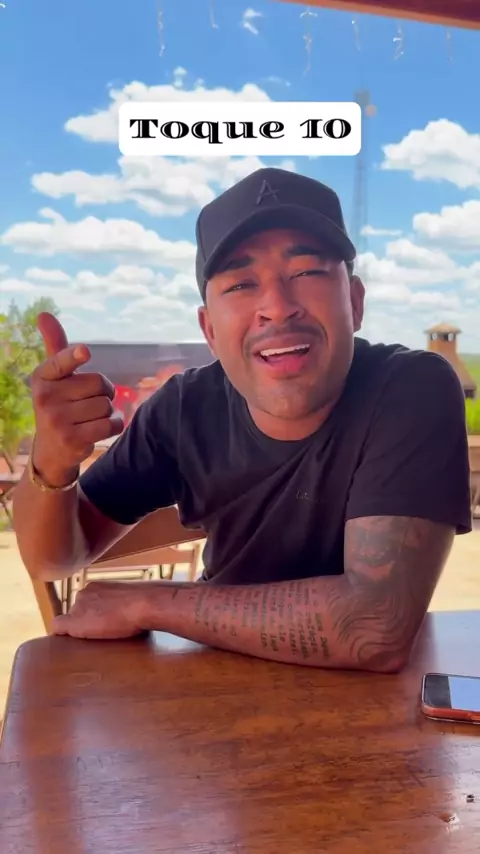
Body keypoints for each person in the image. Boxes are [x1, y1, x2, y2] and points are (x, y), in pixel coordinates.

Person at [13, 167, 471, 672]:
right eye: (241, 284)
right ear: (209, 329)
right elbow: (53, 559)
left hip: (370, 710)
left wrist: (149, 602)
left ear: (355, 302)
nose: (277, 307)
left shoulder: (411, 388)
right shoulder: (183, 410)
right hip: (211, 691)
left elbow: (374, 626)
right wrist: (51, 462)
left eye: (307, 272)